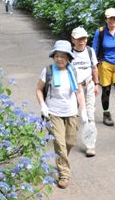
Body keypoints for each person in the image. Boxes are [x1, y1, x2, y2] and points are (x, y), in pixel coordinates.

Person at [36, 40, 88, 189]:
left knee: (70, 142)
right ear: (53, 57)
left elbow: (79, 91)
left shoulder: (74, 71)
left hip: (71, 112)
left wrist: (83, 110)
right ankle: (64, 174)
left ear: (69, 58)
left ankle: (61, 159)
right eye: (57, 56)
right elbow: (39, 89)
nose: (59, 59)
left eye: (63, 56)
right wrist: (43, 105)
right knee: (59, 142)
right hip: (53, 112)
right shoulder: (48, 71)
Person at [70, 27, 100, 157]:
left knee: (90, 115)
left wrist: (97, 84)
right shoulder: (69, 53)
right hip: (74, 89)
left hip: (89, 86)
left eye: (84, 38)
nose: (82, 41)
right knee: (73, 114)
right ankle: (69, 139)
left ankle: (90, 144)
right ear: (73, 40)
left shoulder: (90, 51)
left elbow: (94, 68)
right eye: (79, 39)